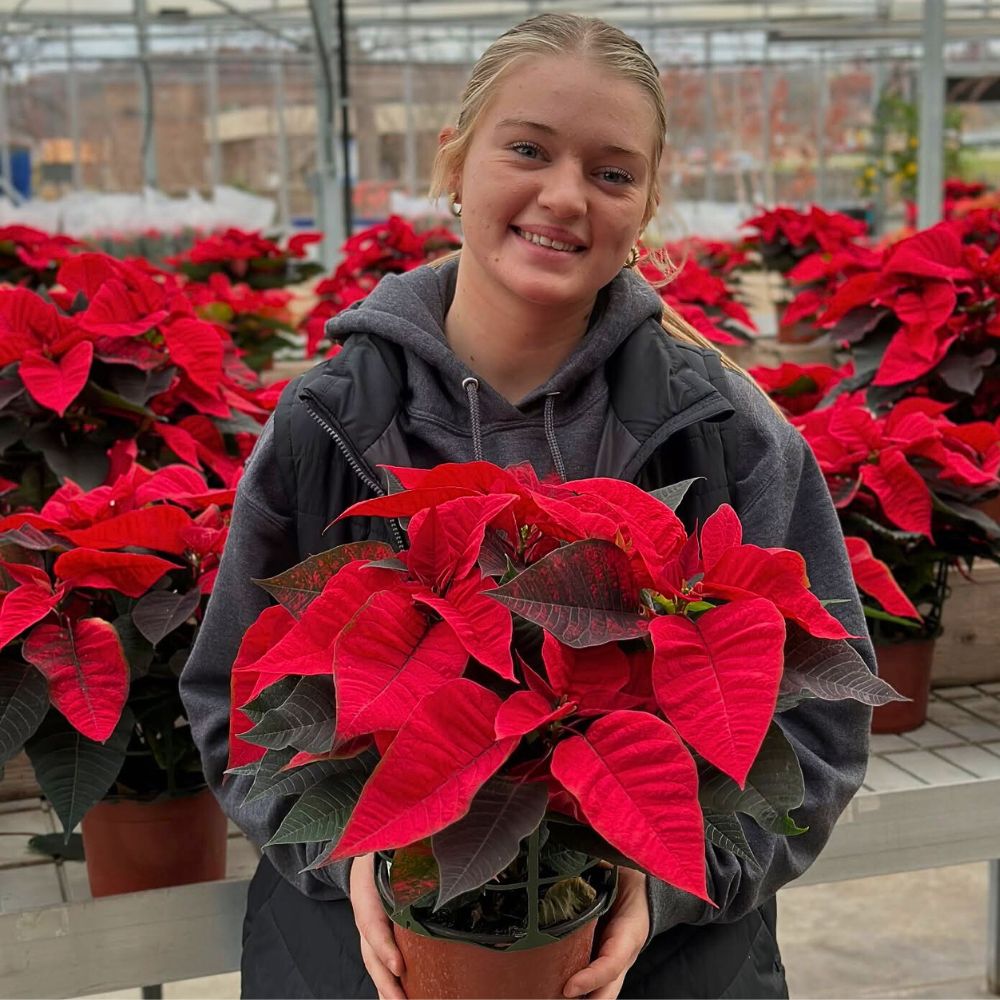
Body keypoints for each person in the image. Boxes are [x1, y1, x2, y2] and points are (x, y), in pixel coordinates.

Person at [180, 13, 873, 999]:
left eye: (611, 172)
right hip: (359, 954)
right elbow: (234, 701)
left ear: (645, 206)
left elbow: (817, 735)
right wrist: (353, 860)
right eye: (528, 150)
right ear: (454, 165)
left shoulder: (724, 427)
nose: (563, 195)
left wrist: (667, 886)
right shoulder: (329, 420)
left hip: (663, 966)